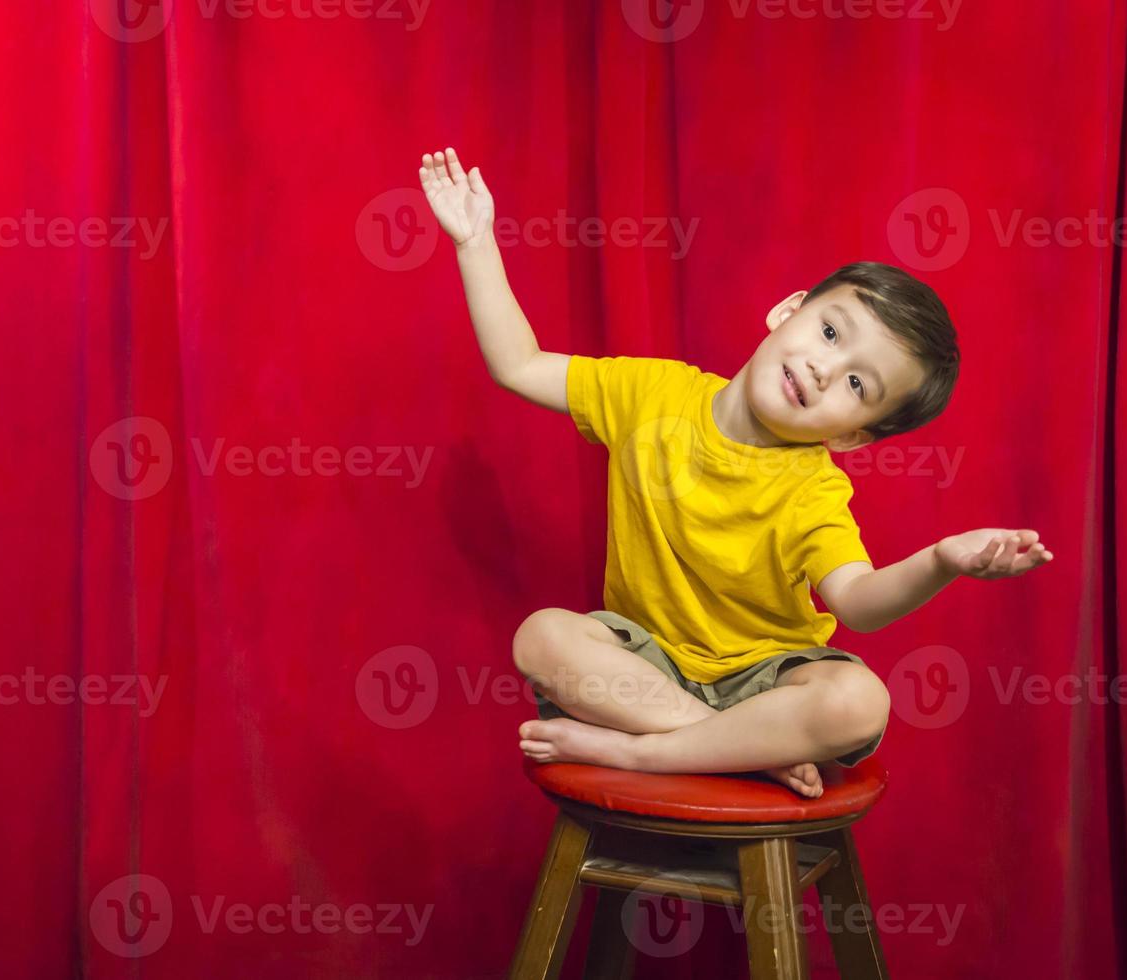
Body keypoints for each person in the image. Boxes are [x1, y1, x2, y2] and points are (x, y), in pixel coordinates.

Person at [419, 147, 1054, 798]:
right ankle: (729, 750)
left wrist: (941, 561)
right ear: (788, 311)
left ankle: (644, 756)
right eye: (831, 335)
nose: (823, 369)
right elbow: (519, 365)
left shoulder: (813, 487)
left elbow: (858, 605)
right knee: (542, 637)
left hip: (768, 685)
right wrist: (474, 242)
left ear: (851, 436)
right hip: (647, 671)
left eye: (858, 384)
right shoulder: (652, 392)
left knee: (860, 700)